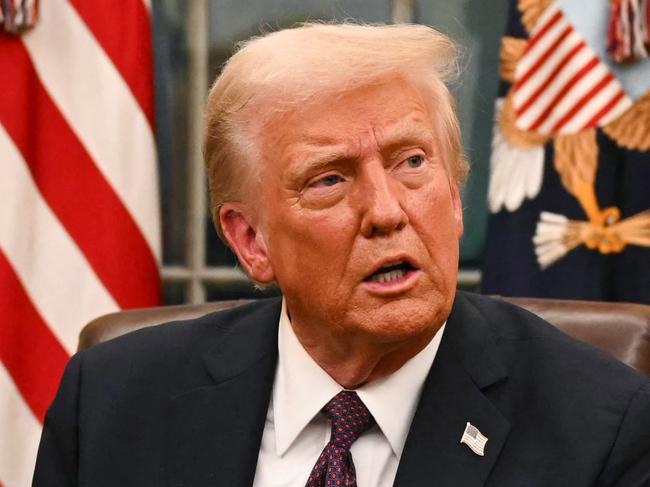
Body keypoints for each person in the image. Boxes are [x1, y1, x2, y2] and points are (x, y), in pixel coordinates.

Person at [33, 23, 650, 487]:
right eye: (329, 180)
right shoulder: (112, 404)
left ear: (456, 199)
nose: (387, 212)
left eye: (411, 163)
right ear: (251, 242)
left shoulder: (603, 428)